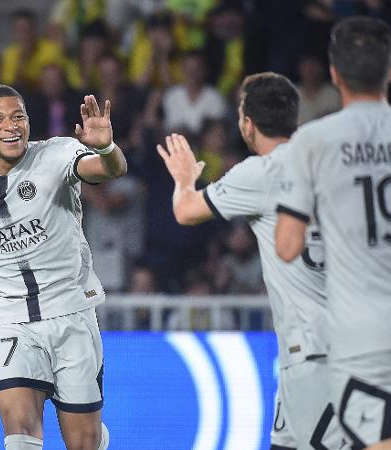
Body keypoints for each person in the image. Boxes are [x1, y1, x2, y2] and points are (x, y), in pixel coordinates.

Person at [158, 72, 345, 449]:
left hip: (313, 351)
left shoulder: (260, 172)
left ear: (247, 122)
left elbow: (187, 211)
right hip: (335, 342)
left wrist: (183, 179)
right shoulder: (330, 163)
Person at [0, 84, 127, 449]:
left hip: (71, 313)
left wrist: (105, 147)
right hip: (8, 318)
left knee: (83, 443)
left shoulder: (59, 155)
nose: (10, 125)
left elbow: (110, 170)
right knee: (20, 433)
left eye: (18, 116)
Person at [276, 16, 391, 450]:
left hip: (362, 334)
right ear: (389, 71)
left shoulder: (314, 141)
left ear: (335, 74)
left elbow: (288, 246)